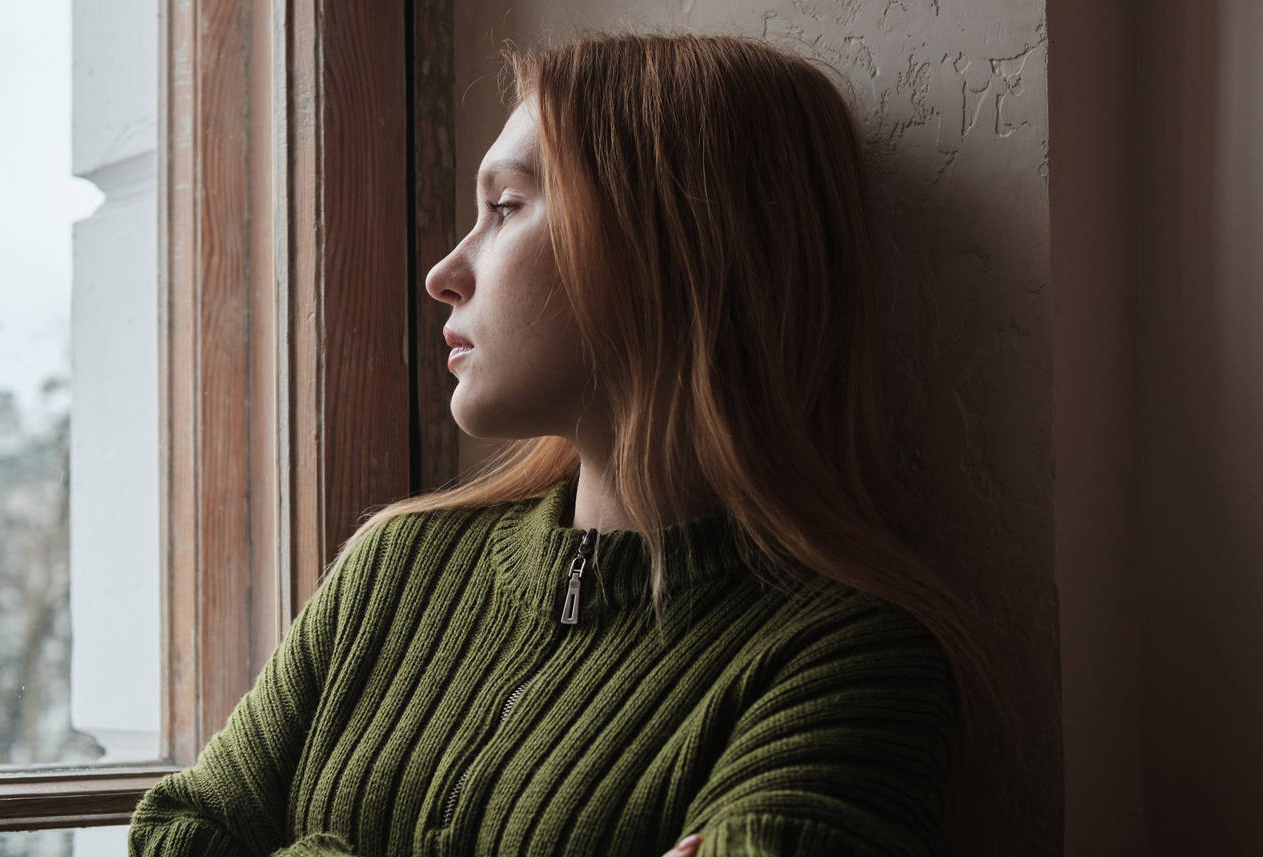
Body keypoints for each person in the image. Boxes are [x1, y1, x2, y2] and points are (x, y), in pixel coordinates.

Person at [129, 31, 994, 857]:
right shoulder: (394, 570)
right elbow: (176, 831)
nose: (443, 273)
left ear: (666, 252)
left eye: (505, 208)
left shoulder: (848, 665)